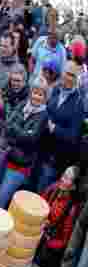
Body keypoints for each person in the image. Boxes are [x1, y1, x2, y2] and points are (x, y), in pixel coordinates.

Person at [0, 76, 48, 211]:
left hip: (19, 165)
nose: (36, 97)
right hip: (6, 156)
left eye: (41, 94)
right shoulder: (23, 104)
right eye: (35, 92)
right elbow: (8, 123)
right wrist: (21, 132)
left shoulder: (43, 116)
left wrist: (16, 132)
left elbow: (31, 139)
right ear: (30, 92)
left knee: (1, 199)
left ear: (45, 97)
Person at [37, 61, 85, 192]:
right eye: (66, 73)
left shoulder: (79, 103)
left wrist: (55, 129)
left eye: (72, 75)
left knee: (40, 195)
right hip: (40, 151)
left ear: (77, 79)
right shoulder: (56, 90)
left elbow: (73, 136)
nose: (68, 77)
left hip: (53, 160)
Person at [35, 166, 81, 267]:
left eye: (66, 178)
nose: (62, 179)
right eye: (63, 175)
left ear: (73, 186)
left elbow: (64, 241)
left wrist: (47, 240)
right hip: (40, 230)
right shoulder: (53, 188)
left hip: (49, 244)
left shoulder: (71, 209)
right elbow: (38, 205)